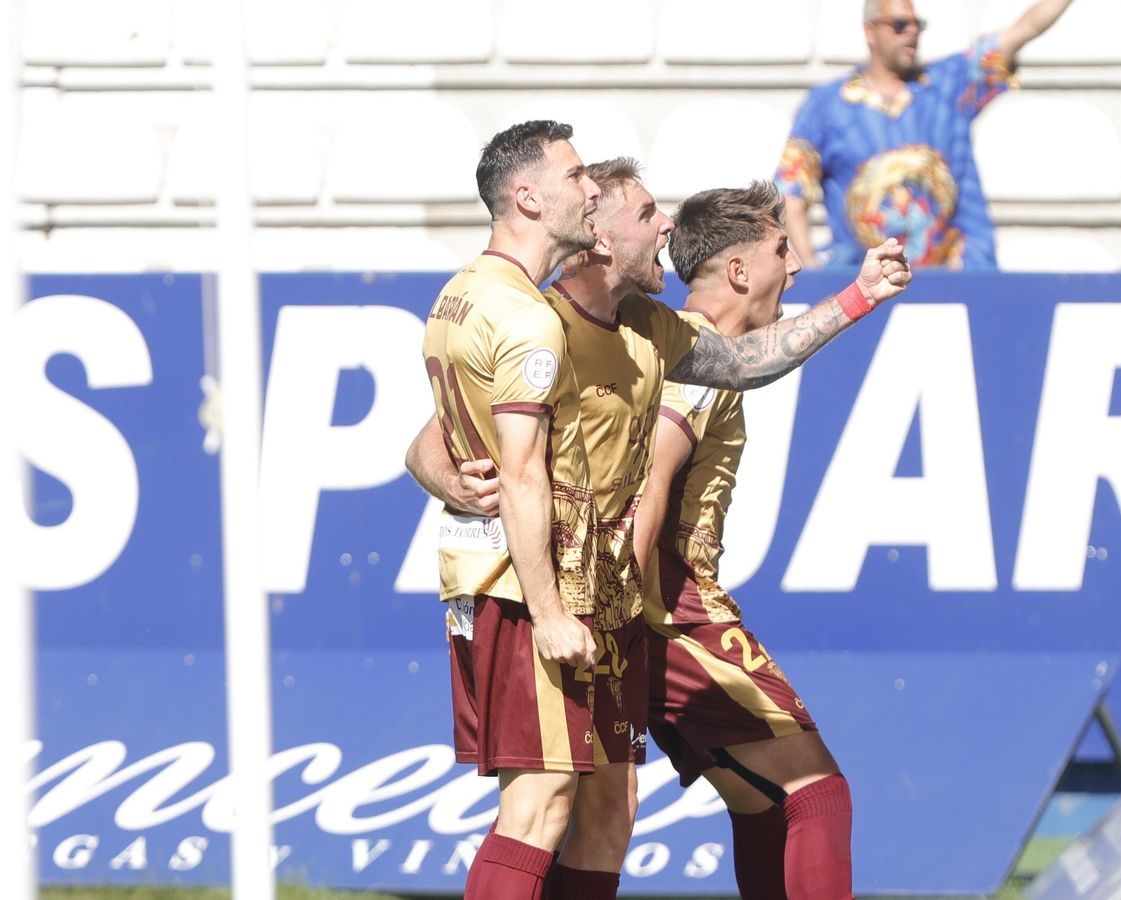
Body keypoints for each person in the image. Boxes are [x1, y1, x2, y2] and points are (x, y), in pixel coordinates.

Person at [407, 163, 912, 895]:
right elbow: (440, 437)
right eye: (647, 215)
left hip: (610, 604)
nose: (665, 228)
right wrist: (454, 482)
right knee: (542, 807)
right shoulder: (539, 325)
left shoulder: (652, 329)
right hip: (570, 595)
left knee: (611, 807)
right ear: (602, 238)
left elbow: (743, 364)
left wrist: (859, 297)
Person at [631, 183, 850, 899]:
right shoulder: (699, 359)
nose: (793, 267)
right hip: (670, 609)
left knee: (761, 804)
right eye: (781, 251)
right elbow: (651, 482)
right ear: (737, 271)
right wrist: (626, 611)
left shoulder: (681, 350)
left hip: (642, 612)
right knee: (819, 793)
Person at [418, 119, 603, 898]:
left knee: (552, 799)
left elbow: (426, 441)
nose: (591, 189)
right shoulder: (528, 319)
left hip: (474, 576)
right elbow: (524, 476)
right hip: (516, 586)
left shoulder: (462, 294)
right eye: (575, 175)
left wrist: (449, 480)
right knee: (540, 802)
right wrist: (551, 609)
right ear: (526, 196)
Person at [776, 0, 1078, 270]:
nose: (911, 32)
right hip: (866, 285)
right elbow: (791, 192)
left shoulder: (948, 85)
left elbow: (1022, 30)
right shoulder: (827, 105)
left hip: (957, 277)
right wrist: (810, 268)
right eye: (899, 25)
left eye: (917, 25)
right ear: (870, 32)